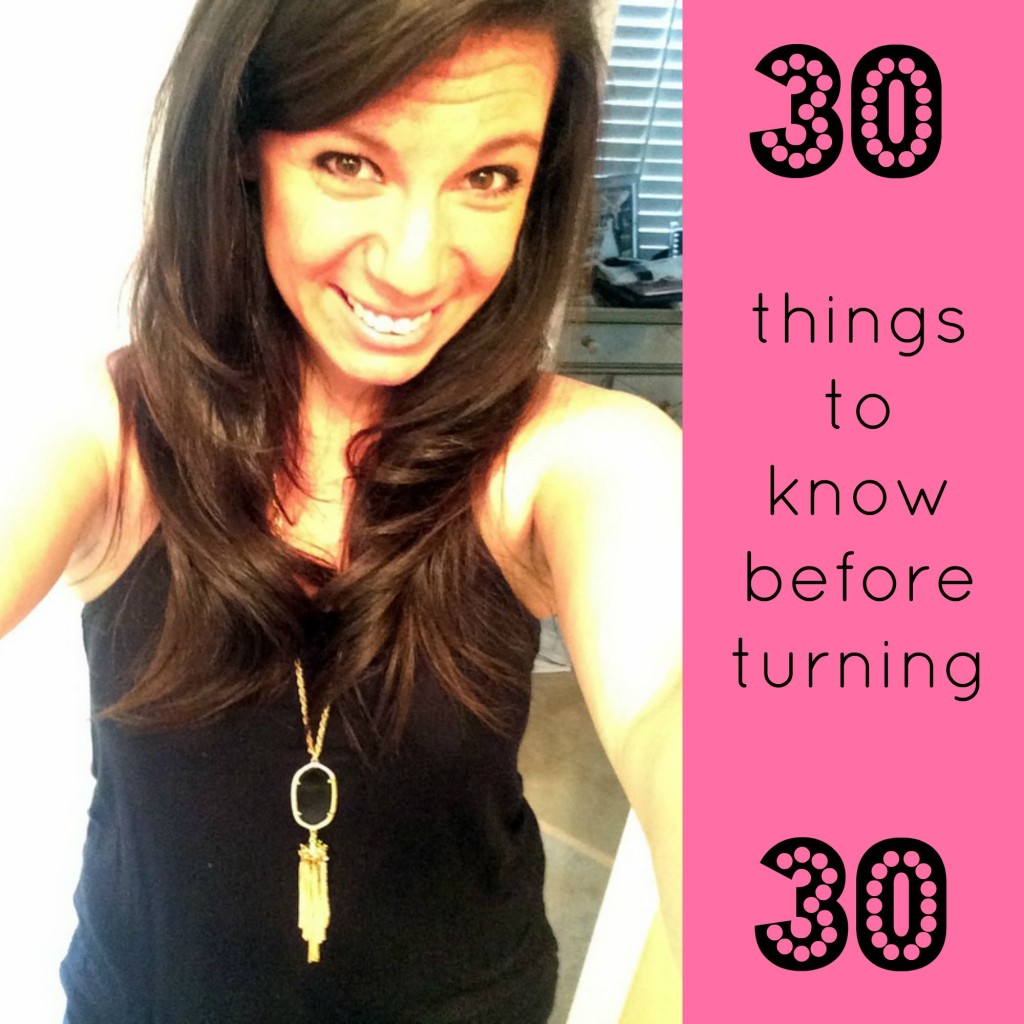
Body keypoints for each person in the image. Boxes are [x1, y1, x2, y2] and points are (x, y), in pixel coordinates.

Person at [0, 0, 681, 1020]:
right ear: (246, 148)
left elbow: (678, 694)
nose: (413, 263)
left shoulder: (579, 454)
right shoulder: (104, 430)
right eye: (349, 163)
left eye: (487, 178)